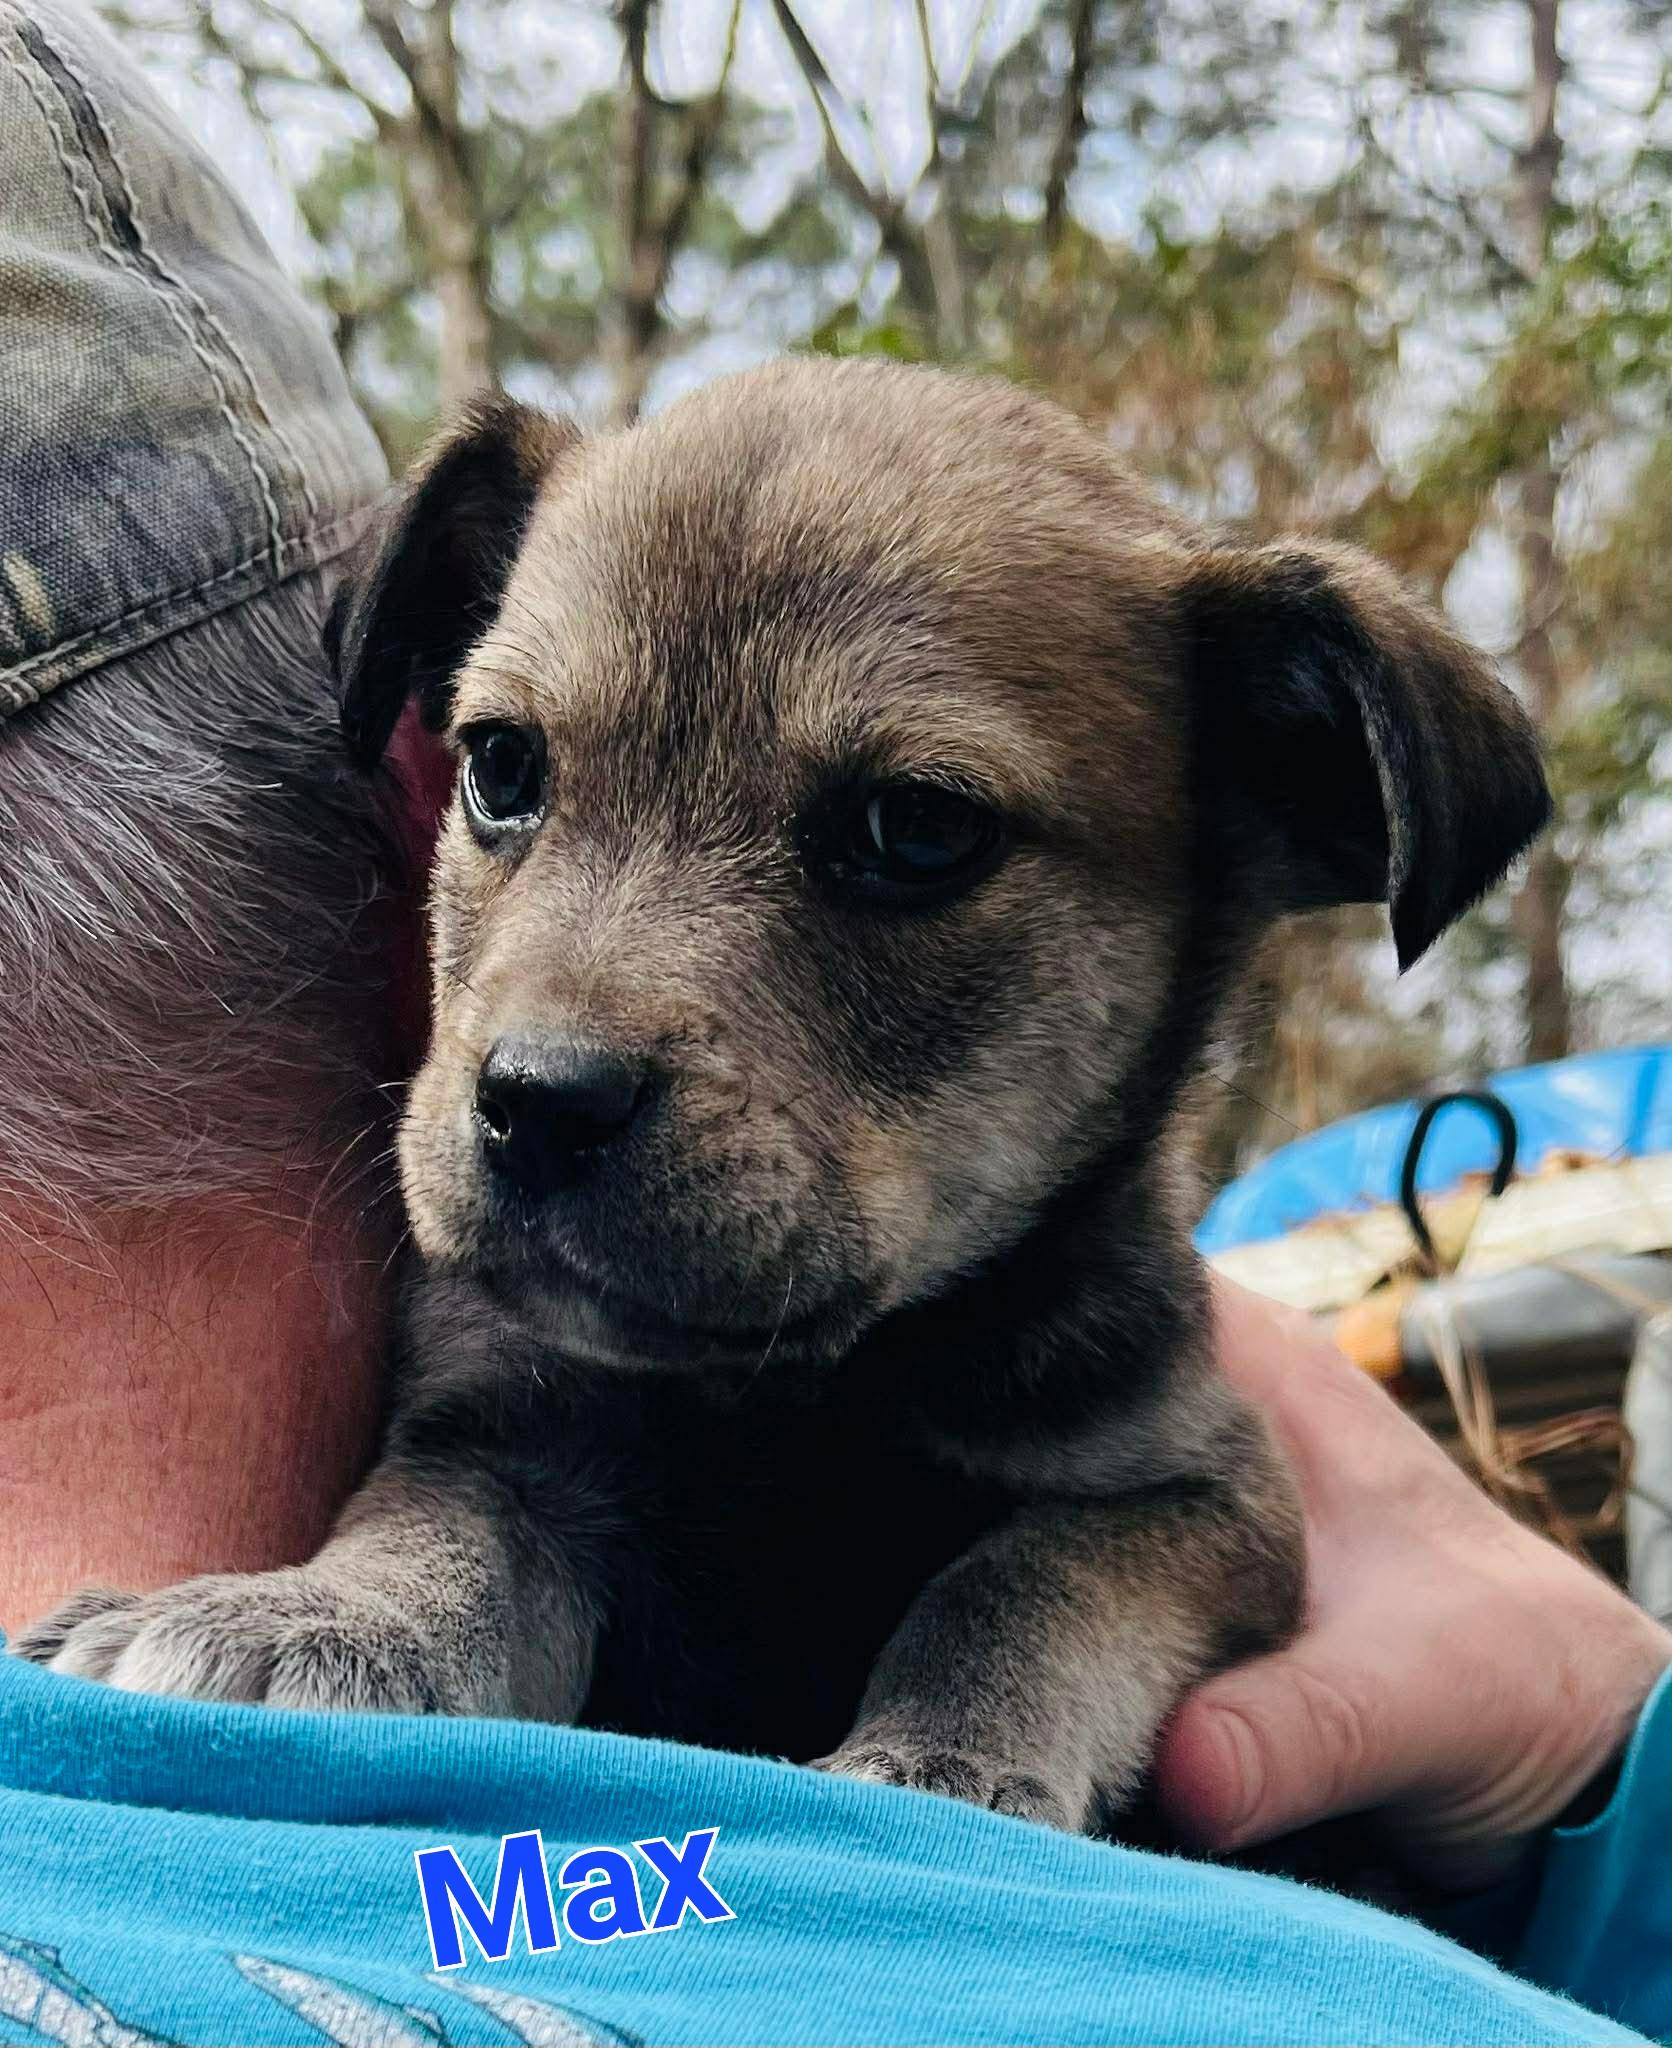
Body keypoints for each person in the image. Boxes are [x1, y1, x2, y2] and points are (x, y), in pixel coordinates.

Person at [1, 6, 1667, 2044]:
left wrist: (1592, 1777)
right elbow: (512, 1529)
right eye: (516, 776)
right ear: (418, 777)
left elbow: (1179, 1515)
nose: (561, 1029)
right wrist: (391, 1614)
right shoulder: (487, 1356)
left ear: (1286, 812)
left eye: (904, 837)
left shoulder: (1140, 1393)